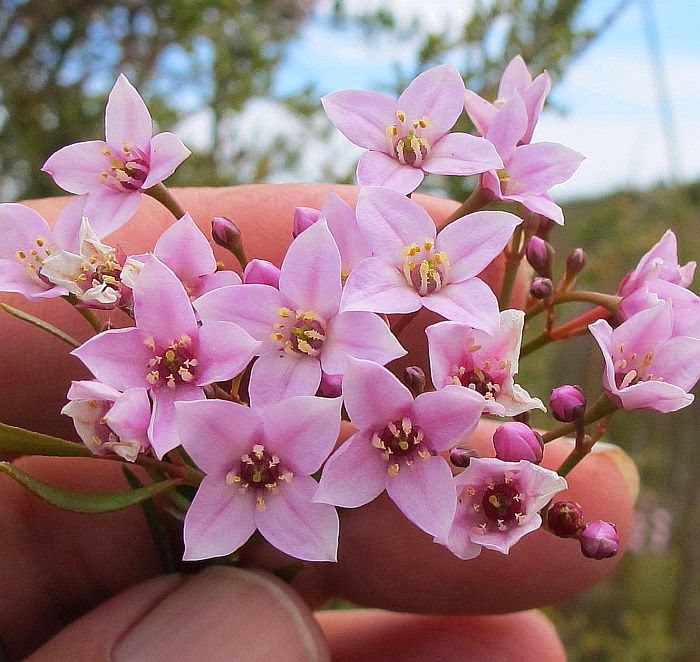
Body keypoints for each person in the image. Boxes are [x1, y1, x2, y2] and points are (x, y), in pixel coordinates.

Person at [0, 185, 638, 661]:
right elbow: (248, 375)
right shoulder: (234, 375)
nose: (304, 331)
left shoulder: (373, 380)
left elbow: (358, 390)